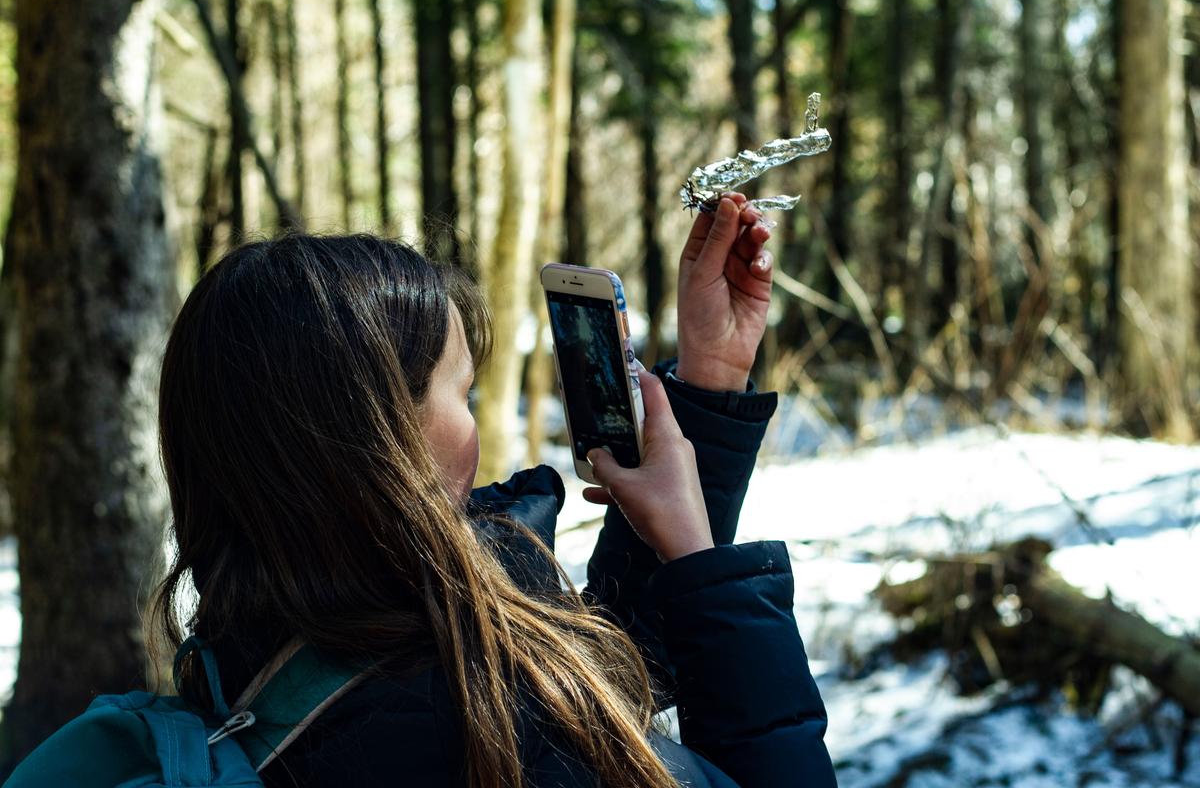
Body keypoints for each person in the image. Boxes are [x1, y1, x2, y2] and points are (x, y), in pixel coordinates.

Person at [149, 192, 837, 787]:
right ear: (386, 443)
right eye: (465, 394)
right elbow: (578, 728)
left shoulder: (267, 664)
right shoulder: (491, 729)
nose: (477, 421)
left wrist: (708, 380)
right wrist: (695, 556)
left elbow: (601, 680)